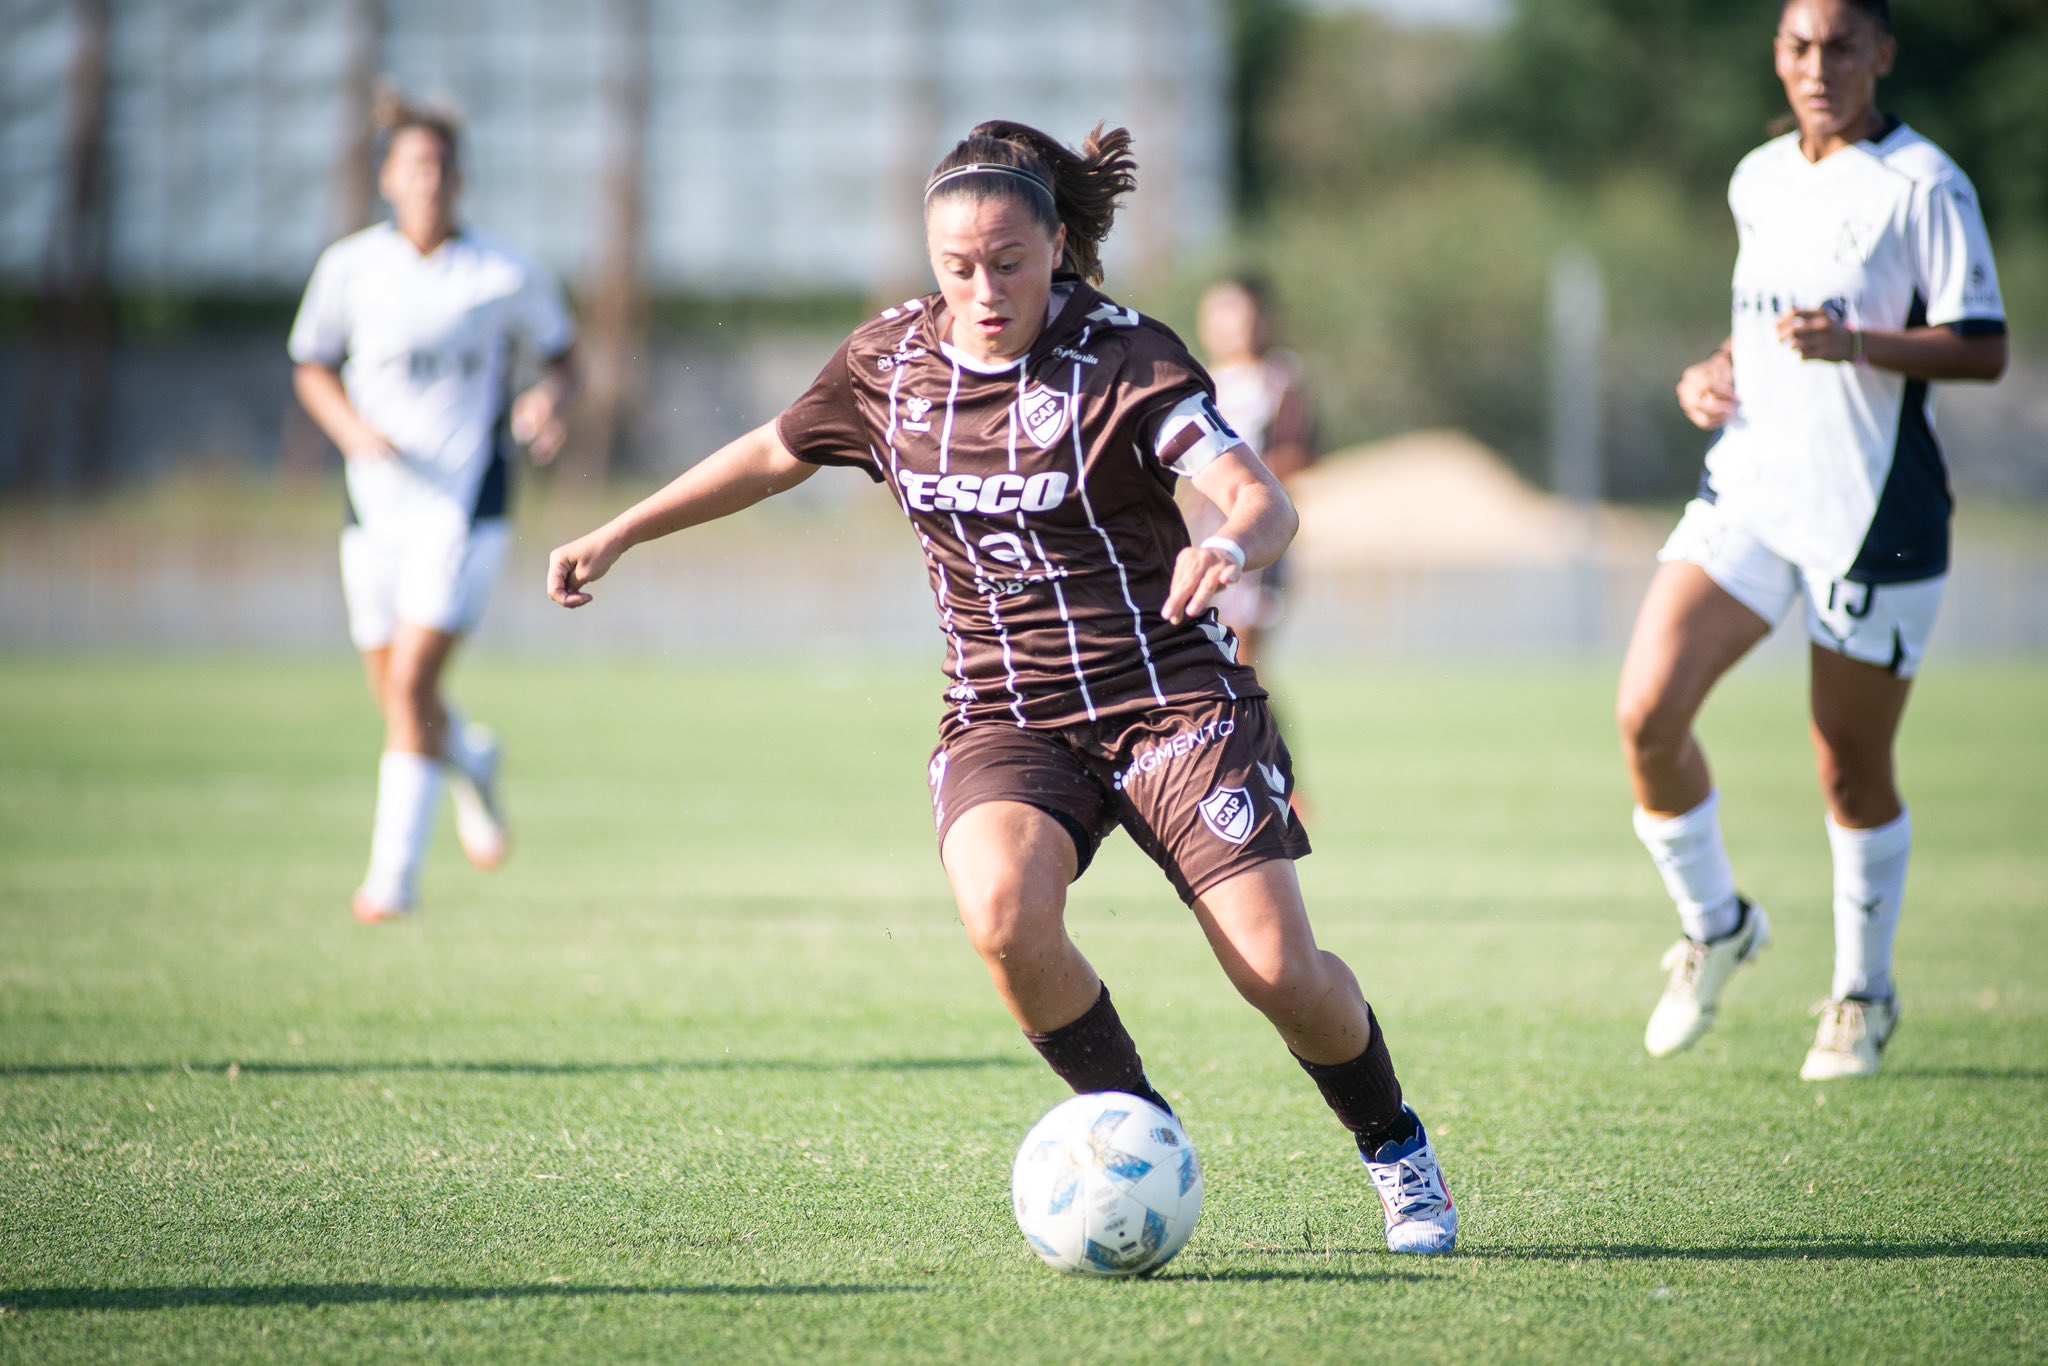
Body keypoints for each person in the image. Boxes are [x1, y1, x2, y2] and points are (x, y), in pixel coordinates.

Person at [548, 120, 1458, 1253]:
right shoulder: (889, 366)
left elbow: (1257, 492)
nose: (983, 290)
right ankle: (1134, 1136)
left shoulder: (1126, 359)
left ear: (1059, 246)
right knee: (1001, 915)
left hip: (1166, 696)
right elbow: (771, 453)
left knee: (1279, 970)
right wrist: (623, 529)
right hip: (1007, 712)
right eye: (957, 267)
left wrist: (1231, 543)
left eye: (1009, 264)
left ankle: (1394, 1149)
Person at [1617, 0, 2006, 1079]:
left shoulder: (1923, 183)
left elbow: (1981, 348)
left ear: (1881, 51)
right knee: (1645, 714)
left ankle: (1859, 994)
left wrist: (1857, 345)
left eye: (1841, 45)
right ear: (1775, 56)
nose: (1819, 65)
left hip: (1868, 513)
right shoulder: (1755, 175)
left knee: (1847, 768)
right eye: (1798, 45)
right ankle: (1715, 924)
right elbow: (1761, 323)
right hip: (1746, 491)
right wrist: (1715, 371)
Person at [290, 100, 578, 923]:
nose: (429, 180)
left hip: (465, 506)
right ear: (387, 177)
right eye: (414, 165)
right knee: (398, 698)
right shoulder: (350, 268)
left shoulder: (504, 273)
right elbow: (311, 367)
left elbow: (566, 361)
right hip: (373, 510)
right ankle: (475, 763)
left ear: (462, 178)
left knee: (414, 681)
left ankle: (393, 879)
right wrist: (352, 431)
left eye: (443, 166)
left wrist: (546, 407)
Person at [1184, 275, 1317, 674]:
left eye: (1240, 313)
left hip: (1254, 529)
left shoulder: (1278, 378)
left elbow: (1298, 451)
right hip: (1203, 532)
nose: (1230, 324)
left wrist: (1246, 481)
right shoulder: (1198, 379)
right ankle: (1248, 732)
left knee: (1243, 655)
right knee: (1211, 652)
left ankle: (1261, 734)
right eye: (1219, 313)